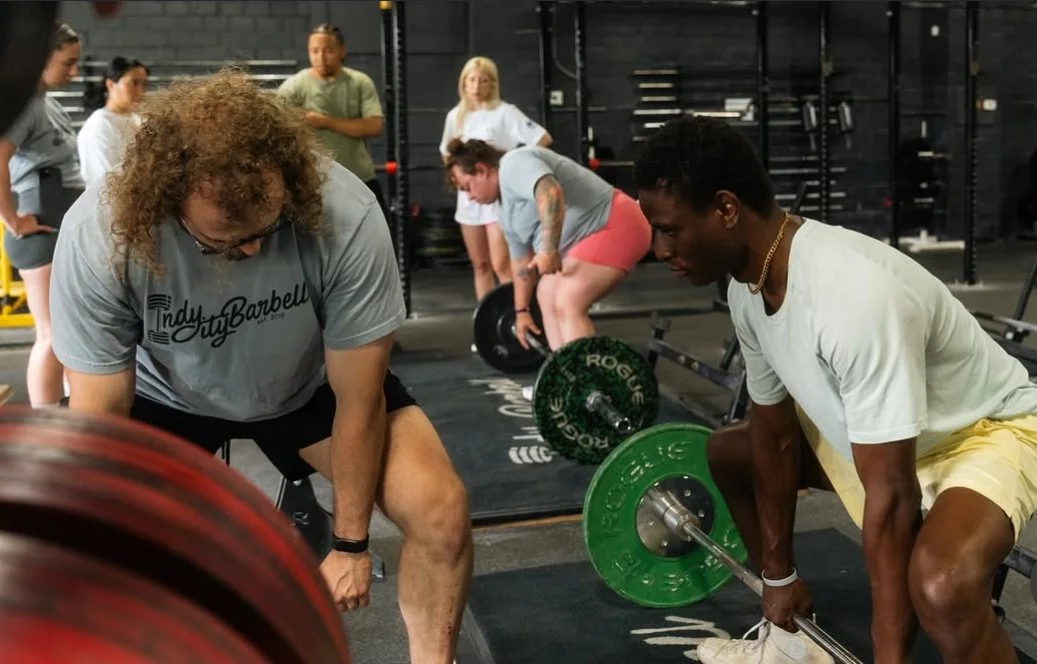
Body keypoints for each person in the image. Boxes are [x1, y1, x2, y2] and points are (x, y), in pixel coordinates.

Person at [49, 70, 473, 664]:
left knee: (441, 512)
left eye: (266, 230)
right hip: (161, 396)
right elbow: (103, 417)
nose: (250, 252)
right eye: (224, 244)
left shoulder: (345, 212)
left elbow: (359, 398)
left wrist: (352, 544)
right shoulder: (102, 232)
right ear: (168, 199)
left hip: (305, 389)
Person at [633, 115, 1037, 664]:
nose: (659, 248)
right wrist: (779, 577)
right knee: (730, 453)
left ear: (726, 209)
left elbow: (891, 500)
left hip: (984, 432)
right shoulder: (746, 288)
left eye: (670, 229)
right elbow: (773, 435)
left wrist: (888, 657)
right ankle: (789, 641)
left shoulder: (850, 297)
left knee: (940, 587)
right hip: (887, 438)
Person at [445, 138, 652, 397]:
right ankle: (564, 382)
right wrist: (520, 312)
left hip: (617, 223)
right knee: (545, 292)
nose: (470, 198)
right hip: (589, 239)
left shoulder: (514, 164)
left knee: (568, 300)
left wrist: (550, 249)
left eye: (468, 188)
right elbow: (521, 264)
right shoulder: (506, 214)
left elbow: (550, 192)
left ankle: (592, 390)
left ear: (482, 170)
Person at [0, 22, 84, 407]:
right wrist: (14, 220)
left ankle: (65, 416)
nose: (75, 72)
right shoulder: (22, 103)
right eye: (68, 63)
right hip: (39, 226)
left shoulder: (42, 100)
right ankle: (45, 425)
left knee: (66, 332)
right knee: (51, 334)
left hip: (56, 219)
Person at [439, 56, 553, 311]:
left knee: (503, 264)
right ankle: (489, 322)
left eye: (483, 80)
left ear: (492, 84)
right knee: (480, 266)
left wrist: (515, 166)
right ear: (464, 83)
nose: (477, 85)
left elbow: (542, 138)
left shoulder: (505, 112)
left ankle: (518, 314)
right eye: (472, 79)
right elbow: (447, 153)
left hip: (497, 200)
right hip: (469, 203)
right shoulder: (455, 116)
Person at [278, 23, 388, 224]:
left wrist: (326, 122)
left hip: (359, 176)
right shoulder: (295, 86)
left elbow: (374, 126)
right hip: (313, 180)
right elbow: (276, 123)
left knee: (377, 230)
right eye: (315, 51)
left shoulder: (359, 82)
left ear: (342, 51)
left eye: (328, 50)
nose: (320, 57)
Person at [77, 56, 149, 188]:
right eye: (134, 83)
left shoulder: (139, 120)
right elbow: (109, 180)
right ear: (110, 84)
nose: (140, 91)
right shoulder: (99, 125)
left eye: (144, 84)